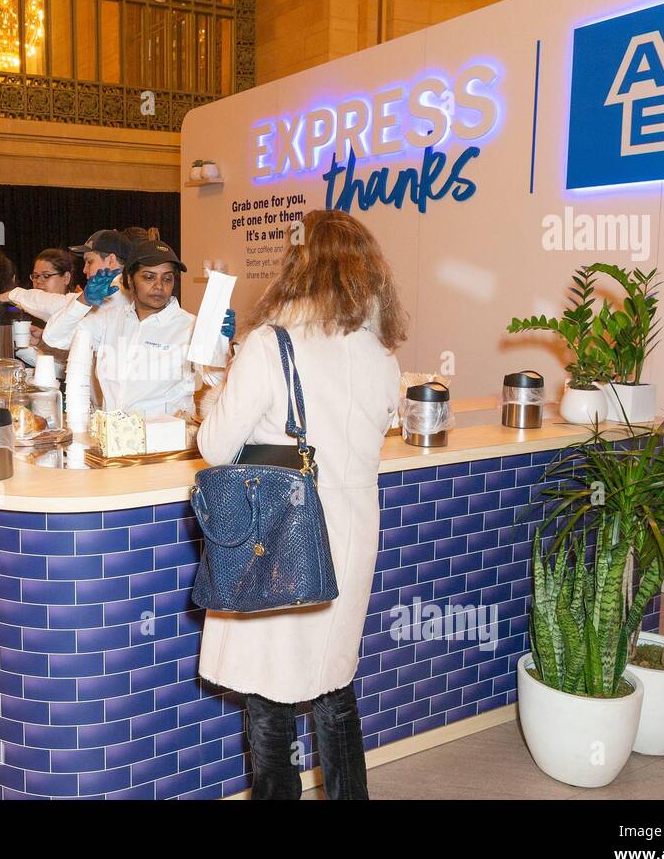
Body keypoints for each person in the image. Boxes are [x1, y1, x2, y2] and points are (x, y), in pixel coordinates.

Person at [195, 210, 406, 800]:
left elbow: (215, 445)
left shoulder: (269, 344)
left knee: (269, 691)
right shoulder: (379, 353)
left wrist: (217, 392)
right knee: (332, 683)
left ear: (298, 265)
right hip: (351, 530)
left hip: (282, 533)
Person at [67, 237, 233, 418]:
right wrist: (83, 301)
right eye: (149, 277)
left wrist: (222, 345)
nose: (159, 286)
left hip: (168, 442)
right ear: (130, 280)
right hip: (114, 438)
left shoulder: (190, 326)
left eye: (167, 278)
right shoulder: (109, 319)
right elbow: (55, 337)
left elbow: (216, 379)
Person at [41, 229, 133, 351]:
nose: (84, 269)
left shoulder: (112, 297)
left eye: (90, 262)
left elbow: (54, 338)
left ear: (111, 260)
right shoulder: (127, 293)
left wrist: (84, 300)